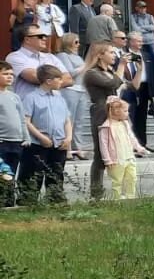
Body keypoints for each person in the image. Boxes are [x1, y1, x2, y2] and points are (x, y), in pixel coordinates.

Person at [19, 64, 71, 203]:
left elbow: (67, 120)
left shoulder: (59, 97)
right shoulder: (32, 97)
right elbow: (26, 120)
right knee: (33, 173)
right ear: (49, 81)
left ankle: (55, 200)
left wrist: (69, 137)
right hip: (38, 144)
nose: (61, 82)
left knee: (56, 173)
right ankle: (27, 201)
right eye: (59, 79)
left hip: (59, 143)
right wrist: (40, 137)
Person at [82, 41, 121, 199]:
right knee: (101, 154)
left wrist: (139, 69)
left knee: (116, 152)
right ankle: (96, 195)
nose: (114, 55)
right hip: (101, 112)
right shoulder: (91, 73)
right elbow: (111, 83)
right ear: (100, 55)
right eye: (111, 52)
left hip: (114, 112)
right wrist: (122, 66)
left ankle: (119, 190)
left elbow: (130, 85)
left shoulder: (110, 71)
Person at [97, 97, 151, 199]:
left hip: (129, 156)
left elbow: (131, 137)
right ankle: (117, 198)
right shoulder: (106, 127)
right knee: (117, 180)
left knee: (132, 177)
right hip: (116, 159)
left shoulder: (124, 124)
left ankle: (130, 197)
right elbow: (103, 145)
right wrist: (107, 159)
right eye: (125, 111)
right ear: (116, 111)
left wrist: (139, 148)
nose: (128, 113)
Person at [54, 32, 91, 159]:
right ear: (68, 42)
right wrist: (85, 66)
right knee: (70, 120)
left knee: (80, 121)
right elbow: (69, 73)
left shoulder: (78, 57)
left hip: (81, 90)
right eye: (76, 42)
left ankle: (78, 147)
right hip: (70, 90)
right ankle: (68, 147)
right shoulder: (63, 56)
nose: (78, 44)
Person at [0, 63, 24, 207]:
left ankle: (9, 201)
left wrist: (25, 136)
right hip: (2, 141)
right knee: (3, 173)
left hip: (16, 141)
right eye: (5, 74)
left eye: (11, 74)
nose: (9, 77)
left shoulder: (15, 97)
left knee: (11, 173)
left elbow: (21, 119)